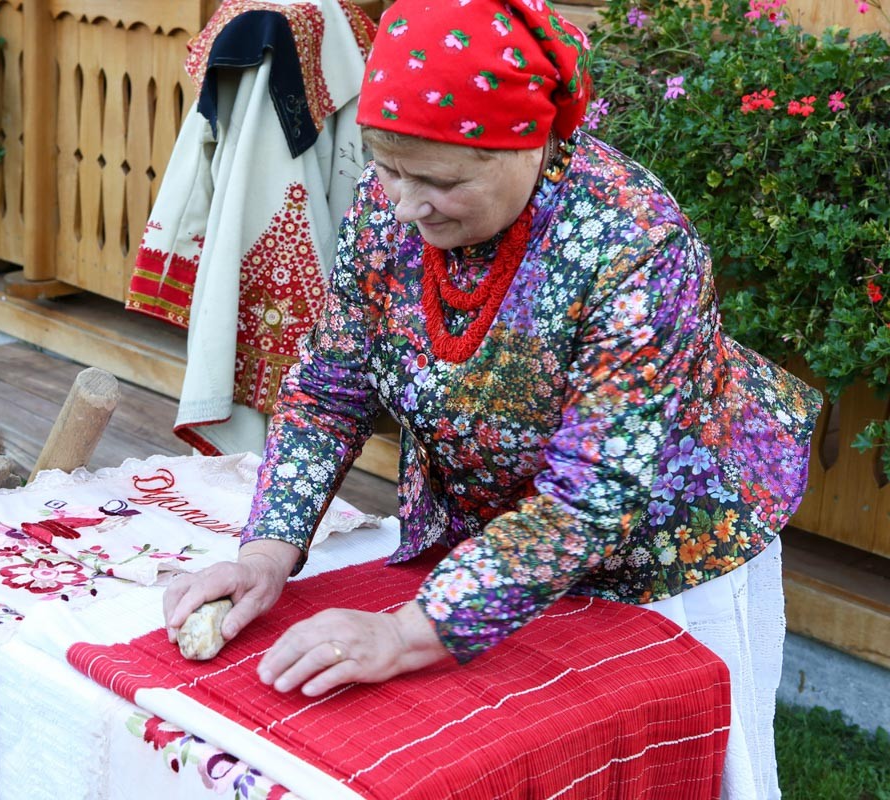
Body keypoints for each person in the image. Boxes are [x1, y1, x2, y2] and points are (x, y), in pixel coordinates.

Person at [164, 0, 820, 795]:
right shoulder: (386, 208)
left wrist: (406, 635)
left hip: (665, 557)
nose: (403, 205)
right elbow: (330, 389)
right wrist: (267, 552)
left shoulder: (636, 240)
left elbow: (591, 496)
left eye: (440, 181)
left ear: (530, 143)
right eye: (387, 167)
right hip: (491, 551)